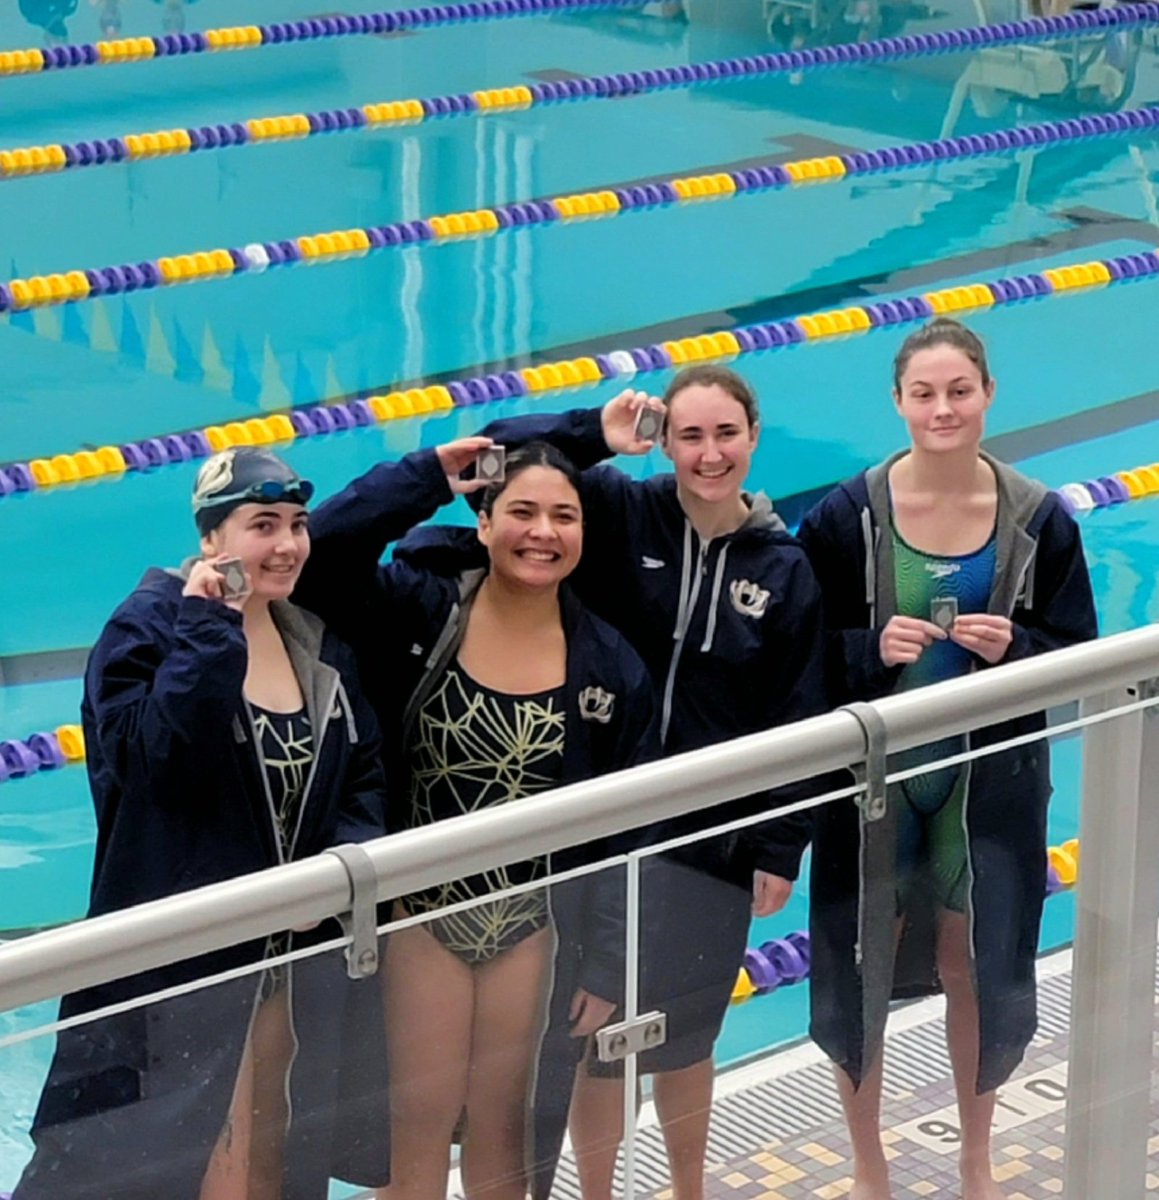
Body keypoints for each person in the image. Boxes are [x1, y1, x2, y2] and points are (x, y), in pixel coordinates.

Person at [472, 365, 829, 1200]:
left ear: (753, 437)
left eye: (725, 434)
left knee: (689, 1040)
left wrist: (780, 844)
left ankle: (686, 1191)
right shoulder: (620, 511)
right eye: (690, 435)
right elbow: (507, 456)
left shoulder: (783, 568)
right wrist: (598, 431)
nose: (709, 454)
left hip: (715, 840)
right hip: (601, 826)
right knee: (598, 1040)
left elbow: (800, 710)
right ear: (663, 442)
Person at [14, 447, 390, 1200]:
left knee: (270, 1164)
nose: (286, 544)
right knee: (136, 1172)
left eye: (296, 525)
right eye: (262, 525)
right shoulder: (146, 631)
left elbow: (363, 780)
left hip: (285, 969)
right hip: (171, 976)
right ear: (212, 539)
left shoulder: (312, 644)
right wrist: (209, 626)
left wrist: (343, 867)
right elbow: (159, 768)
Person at [293, 438, 659, 1200]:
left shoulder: (609, 664)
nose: (543, 531)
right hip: (420, 915)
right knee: (418, 1118)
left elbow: (631, 831)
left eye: (564, 515)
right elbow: (319, 554)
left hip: (531, 923)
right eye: (521, 511)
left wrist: (605, 964)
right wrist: (422, 475)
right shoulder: (417, 608)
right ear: (483, 523)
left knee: (506, 1124)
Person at [797, 318, 1098, 1200]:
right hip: (869, 790)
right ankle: (867, 1163)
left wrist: (1018, 645)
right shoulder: (846, 517)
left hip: (989, 789)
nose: (941, 408)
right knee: (862, 964)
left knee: (978, 963)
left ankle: (975, 1155)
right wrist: (863, 649)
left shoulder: (1037, 519)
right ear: (896, 402)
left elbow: (1080, 650)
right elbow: (795, 650)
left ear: (988, 395)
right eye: (923, 393)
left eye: (957, 391)